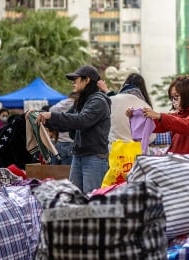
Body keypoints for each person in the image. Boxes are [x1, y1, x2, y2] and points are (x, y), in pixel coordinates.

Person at [36, 65, 111, 193]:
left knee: (91, 199)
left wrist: (52, 115)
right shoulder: (82, 101)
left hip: (94, 157)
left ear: (87, 80)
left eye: (76, 79)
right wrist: (45, 121)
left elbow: (82, 120)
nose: (73, 82)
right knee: (74, 197)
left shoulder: (98, 101)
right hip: (78, 155)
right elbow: (66, 124)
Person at [138, 75, 189, 154]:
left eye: (176, 96)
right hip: (177, 159)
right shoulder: (179, 114)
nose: (173, 101)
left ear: (187, 95)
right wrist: (137, 116)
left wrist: (160, 116)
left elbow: (187, 125)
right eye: (172, 97)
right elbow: (156, 125)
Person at [107, 72, 154, 143]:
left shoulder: (111, 100)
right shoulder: (145, 106)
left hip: (113, 150)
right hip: (136, 151)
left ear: (124, 85)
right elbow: (150, 137)